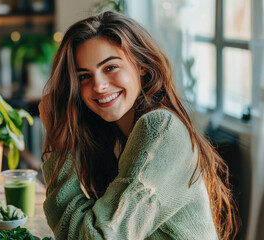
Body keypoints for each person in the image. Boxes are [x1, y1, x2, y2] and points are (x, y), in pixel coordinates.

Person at [39, 11, 239, 240]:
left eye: (110, 67)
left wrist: (58, 141)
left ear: (141, 65)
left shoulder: (160, 129)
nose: (99, 86)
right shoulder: (113, 134)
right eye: (84, 76)